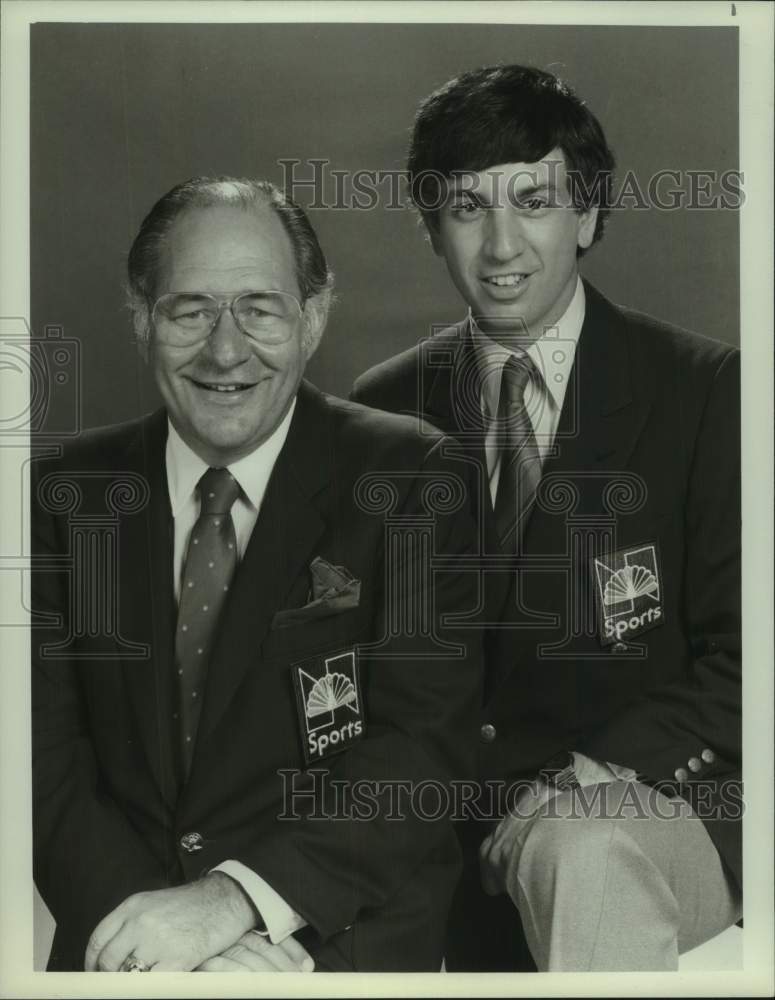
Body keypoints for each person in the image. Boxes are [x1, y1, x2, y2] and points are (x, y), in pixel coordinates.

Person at [31, 177, 483, 973]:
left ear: (312, 319)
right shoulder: (63, 495)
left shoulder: (412, 477)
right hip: (124, 941)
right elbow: (39, 762)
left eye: (260, 308)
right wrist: (160, 947)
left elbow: (421, 753)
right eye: (189, 309)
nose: (225, 349)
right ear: (141, 320)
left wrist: (239, 903)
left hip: (333, 938)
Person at [351, 65, 742, 971]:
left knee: (583, 851)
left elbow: (748, 654)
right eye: (463, 208)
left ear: (590, 216)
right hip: (447, 832)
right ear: (429, 230)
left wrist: (582, 781)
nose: (499, 246)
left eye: (532, 201)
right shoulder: (385, 408)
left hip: (656, 803)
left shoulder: (706, 390)